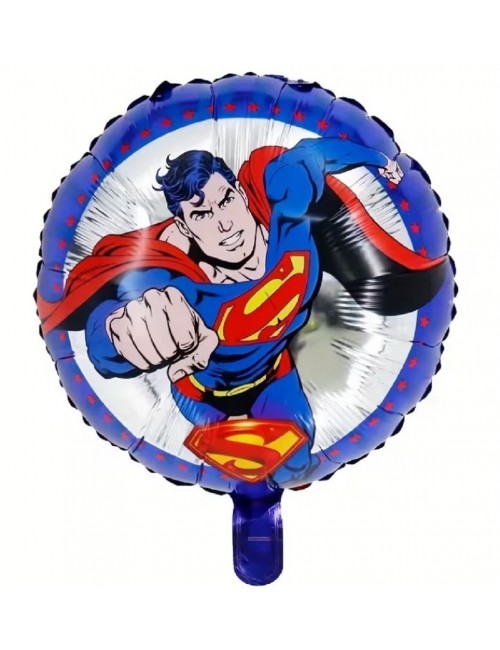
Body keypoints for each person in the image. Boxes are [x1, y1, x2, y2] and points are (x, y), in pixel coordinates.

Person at [40, 138, 447, 484]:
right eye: (202, 214)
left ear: (238, 191)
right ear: (183, 228)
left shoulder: (289, 219)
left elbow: (314, 155)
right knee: (239, 466)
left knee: (294, 466)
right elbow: (105, 331)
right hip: (200, 394)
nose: (224, 224)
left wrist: (380, 160)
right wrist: (122, 333)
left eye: (226, 201)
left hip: (274, 378)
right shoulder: (178, 285)